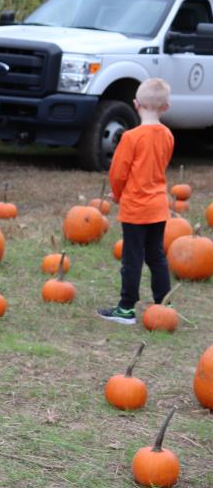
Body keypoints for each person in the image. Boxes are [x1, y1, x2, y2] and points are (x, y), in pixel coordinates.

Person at [98, 78, 174, 324]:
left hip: (136, 208)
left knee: (132, 258)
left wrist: (117, 194)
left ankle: (126, 308)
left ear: (135, 104)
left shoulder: (131, 137)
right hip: (158, 207)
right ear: (166, 107)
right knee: (156, 255)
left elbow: (118, 173)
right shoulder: (167, 135)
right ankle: (164, 303)